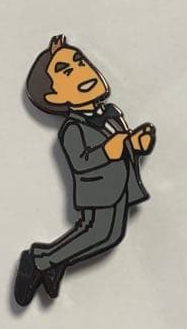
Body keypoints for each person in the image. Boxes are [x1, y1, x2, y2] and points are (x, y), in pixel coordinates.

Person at [15, 35, 156, 307]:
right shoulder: (72, 129)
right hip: (99, 191)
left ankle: (54, 262)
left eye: (80, 62)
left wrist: (136, 145)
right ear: (55, 96)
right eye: (66, 72)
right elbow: (82, 161)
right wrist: (112, 149)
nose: (81, 71)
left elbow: (122, 143)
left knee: (110, 236)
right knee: (95, 232)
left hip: (122, 185)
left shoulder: (113, 112)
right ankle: (40, 260)